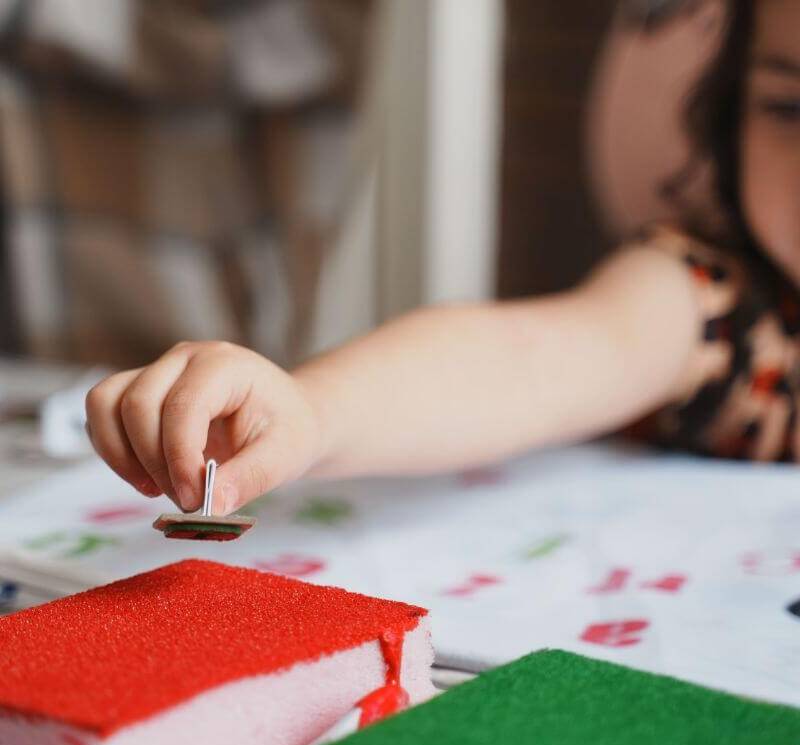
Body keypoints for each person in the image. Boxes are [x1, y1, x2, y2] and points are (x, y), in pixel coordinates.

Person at [85, 0, 800, 516]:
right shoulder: (716, 305)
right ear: (726, 111)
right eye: (789, 106)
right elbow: (528, 358)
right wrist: (312, 409)